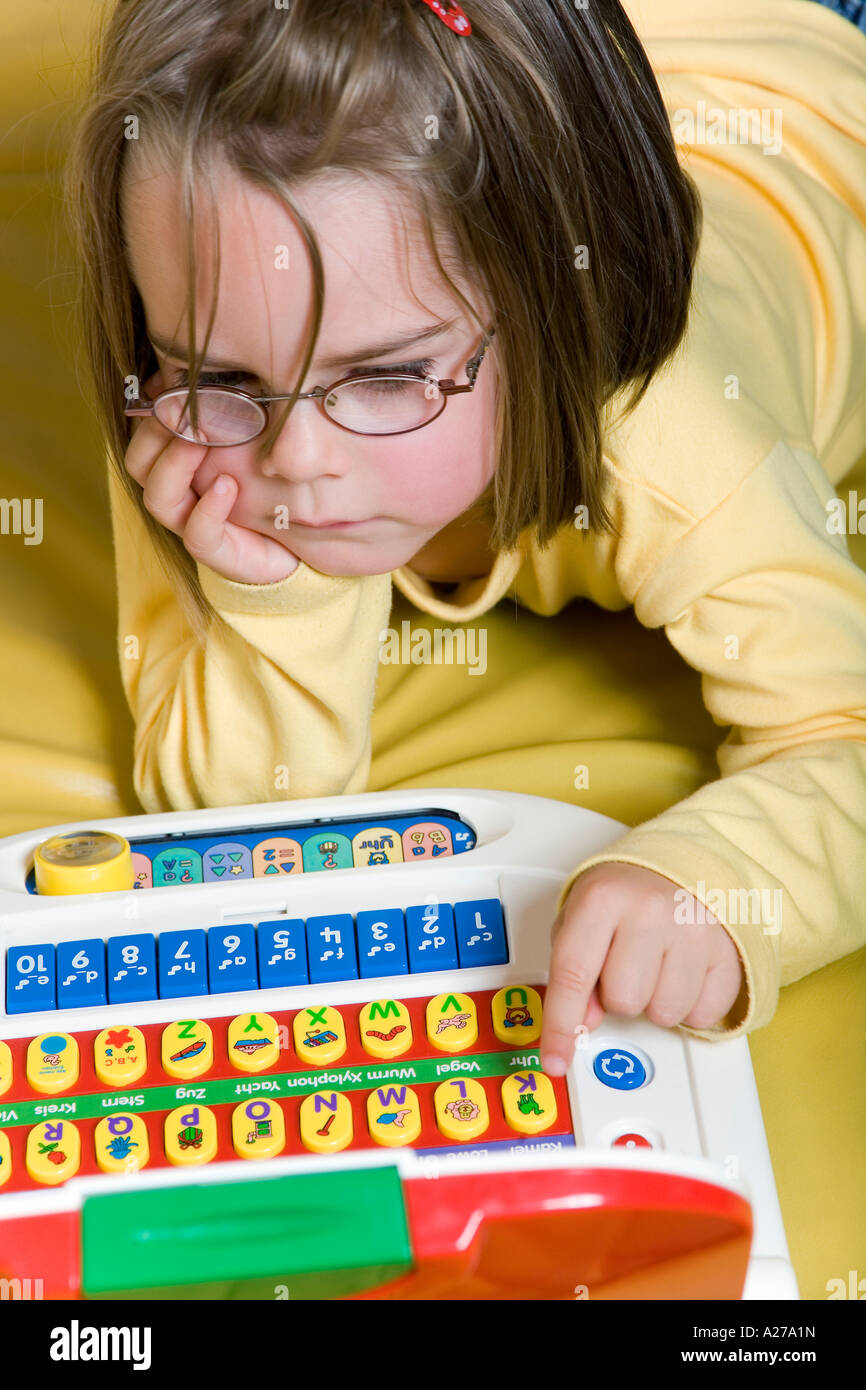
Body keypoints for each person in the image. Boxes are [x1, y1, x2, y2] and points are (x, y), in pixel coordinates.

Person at [64, 0, 866, 1077]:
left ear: (546, 316)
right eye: (226, 376)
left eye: (388, 375)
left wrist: (714, 878)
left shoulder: (686, 444)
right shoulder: (190, 408)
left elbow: (845, 730)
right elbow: (237, 821)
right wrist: (276, 591)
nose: (296, 462)